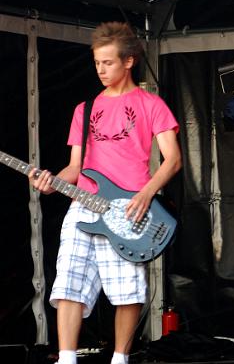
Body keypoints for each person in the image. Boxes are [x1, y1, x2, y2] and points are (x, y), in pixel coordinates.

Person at [29, 22, 182, 364]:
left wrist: (145, 194)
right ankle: (67, 358)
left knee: (127, 290)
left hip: (129, 207)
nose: (100, 70)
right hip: (83, 206)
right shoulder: (84, 110)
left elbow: (172, 160)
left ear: (128, 61)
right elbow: (76, 167)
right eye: (97, 62)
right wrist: (52, 180)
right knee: (68, 282)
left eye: (108, 62)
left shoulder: (150, 104)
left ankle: (120, 359)